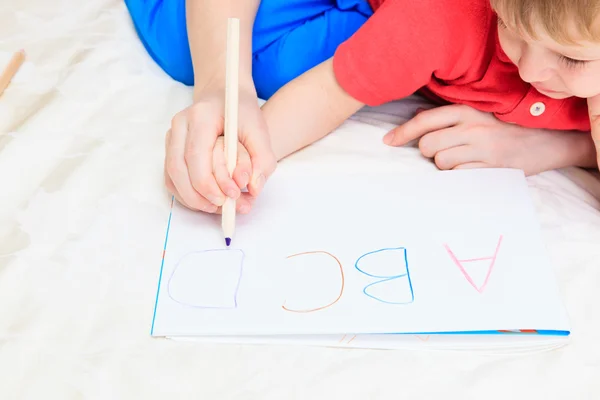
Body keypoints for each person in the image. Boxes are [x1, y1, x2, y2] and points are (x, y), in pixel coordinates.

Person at [125, 0, 600, 215]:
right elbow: (328, 92)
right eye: (512, 29)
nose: (532, 70)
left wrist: (564, 147)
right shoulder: (439, 19)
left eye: (571, 58)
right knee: (189, 43)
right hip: (399, 23)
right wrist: (240, 159)